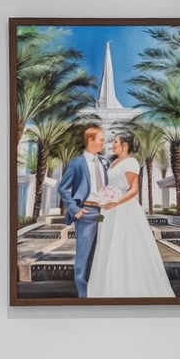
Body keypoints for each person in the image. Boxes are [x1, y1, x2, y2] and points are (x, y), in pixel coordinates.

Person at [84, 130, 174, 298]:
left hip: (125, 210)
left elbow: (133, 190)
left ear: (125, 145)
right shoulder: (113, 163)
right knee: (109, 246)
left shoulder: (131, 162)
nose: (112, 145)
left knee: (125, 246)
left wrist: (115, 201)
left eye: (115, 142)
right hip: (110, 211)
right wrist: (103, 199)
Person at [55, 125, 109, 298]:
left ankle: (97, 292)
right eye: (101, 139)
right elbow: (63, 188)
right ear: (90, 140)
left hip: (103, 213)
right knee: (83, 256)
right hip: (86, 212)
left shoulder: (104, 163)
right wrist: (75, 209)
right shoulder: (77, 163)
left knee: (100, 253)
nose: (104, 143)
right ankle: (84, 297)